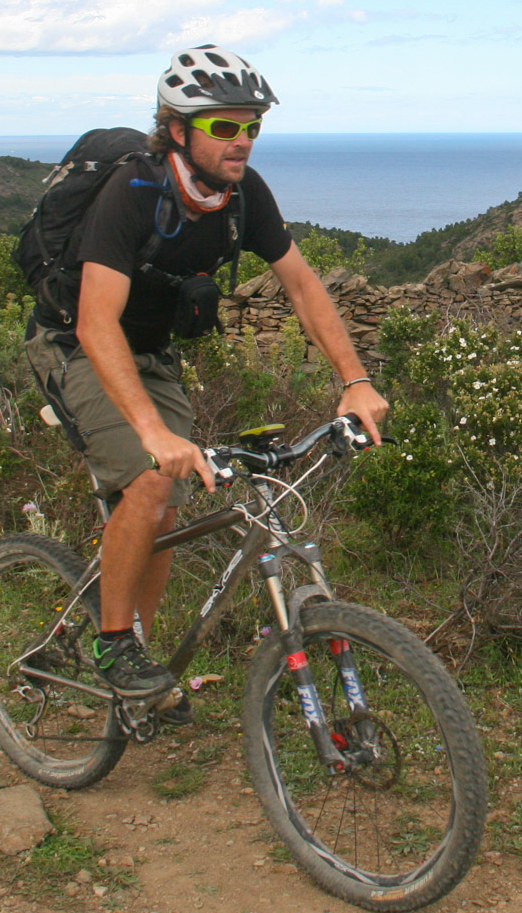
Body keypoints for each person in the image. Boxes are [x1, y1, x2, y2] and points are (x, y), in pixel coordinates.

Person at [24, 44, 388, 714]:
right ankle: (111, 644)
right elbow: (96, 323)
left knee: (165, 505)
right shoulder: (132, 192)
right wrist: (148, 431)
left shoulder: (242, 195)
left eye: (252, 125)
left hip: (152, 353)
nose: (242, 140)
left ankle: (143, 661)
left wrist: (355, 379)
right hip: (75, 345)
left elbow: (304, 286)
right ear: (177, 128)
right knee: (153, 473)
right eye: (225, 126)